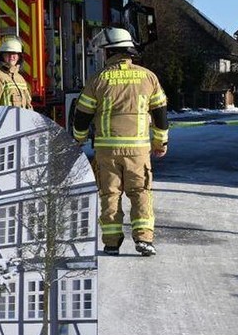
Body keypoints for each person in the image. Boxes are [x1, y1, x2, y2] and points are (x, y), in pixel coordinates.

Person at [72, 27, 169, 257]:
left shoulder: (98, 79)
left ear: (109, 52)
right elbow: (160, 113)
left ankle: (111, 242)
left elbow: (82, 114)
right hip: (138, 150)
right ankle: (144, 239)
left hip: (107, 150)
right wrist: (160, 143)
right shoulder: (148, 77)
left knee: (110, 194)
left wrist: (78, 139)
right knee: (140, 192)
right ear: (128, 51)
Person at [0, 36, 33, 109]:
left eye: (15, 54)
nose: (12, 56)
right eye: (8, 53)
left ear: (19, 56)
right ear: (2, 55)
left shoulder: (20, 78)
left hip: (20, 120)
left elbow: (29, 106)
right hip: (5, 120)